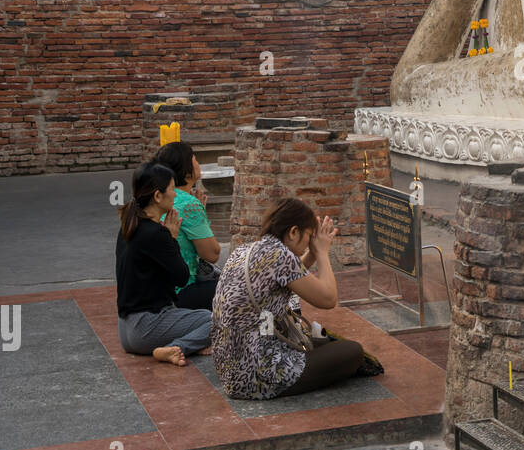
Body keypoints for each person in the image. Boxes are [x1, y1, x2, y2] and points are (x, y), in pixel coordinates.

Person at [211, 198, 365, 400]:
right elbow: (328, 299)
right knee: (353, 351)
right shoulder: (280, 256)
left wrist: (310, 252)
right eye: (308, 236)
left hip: (232, 370)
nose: (310, 242)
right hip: (259, 376)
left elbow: (290, 276)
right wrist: (322, 253)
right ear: (293, 232)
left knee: (321, 341)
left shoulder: (246, 249)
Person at [115, 162, 213, 366]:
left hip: (126, 329)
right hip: (146, 327)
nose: (175, 195)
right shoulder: (156, 233)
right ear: (158, 196)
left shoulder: (129, 226)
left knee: (199, 317)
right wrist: (172, 238)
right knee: (215, 320)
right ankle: (178, 347)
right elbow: (182, 277)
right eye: (171, 189)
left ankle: (180, 343)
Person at [152, 141, 221, 311]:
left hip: (154, 289)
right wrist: (199, 216)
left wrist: (199, 217)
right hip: (180, 291)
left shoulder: (159, 197)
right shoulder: (189, 204)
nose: (198, 164)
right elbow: (212, 254)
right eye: (195, 159)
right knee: (242, 288)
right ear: (187, 170)